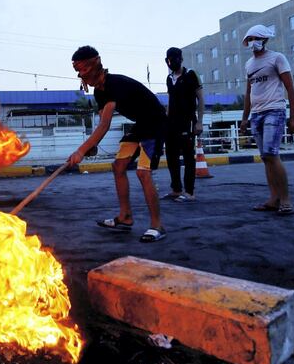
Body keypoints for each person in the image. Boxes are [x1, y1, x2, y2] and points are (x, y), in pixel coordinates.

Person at [68, 46, 168, 242]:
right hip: (141, 125)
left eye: (83, 68)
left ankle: (157, 226)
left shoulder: (114, 84)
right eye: (77, 70)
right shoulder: (99, 93)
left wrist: (80, 151)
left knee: (143, 172)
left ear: (95, 63)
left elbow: (105, 125)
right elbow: (101, 122)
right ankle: (125, 217)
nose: (81, 74)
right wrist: (91, 147)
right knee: (118, 166)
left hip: (156, 122)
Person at [238, 24, 294, 215]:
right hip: (256, 114)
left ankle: (286, 200)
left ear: (265, 40)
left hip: (275, 110)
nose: (253, 42)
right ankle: (273, 198)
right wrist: (244, 118)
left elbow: (290, 88)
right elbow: (248, 92)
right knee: (266, 158)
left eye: (257, 38)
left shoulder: (277, 58)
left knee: (272, 154)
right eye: (250, 39)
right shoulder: (249, 65)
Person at [163, 47, 204, 202]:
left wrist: (199, 122)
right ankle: (176, 189)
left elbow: (201, 99)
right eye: (169, 60)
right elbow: (169, 101)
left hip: (187, 122)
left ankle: (189, 192)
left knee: (188, 157)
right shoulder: (169, 78)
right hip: (171, 123)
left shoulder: (191, 74)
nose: (172, 62)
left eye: (174, 59)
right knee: (171, 156)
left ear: (180, 59)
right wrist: (165, 121)